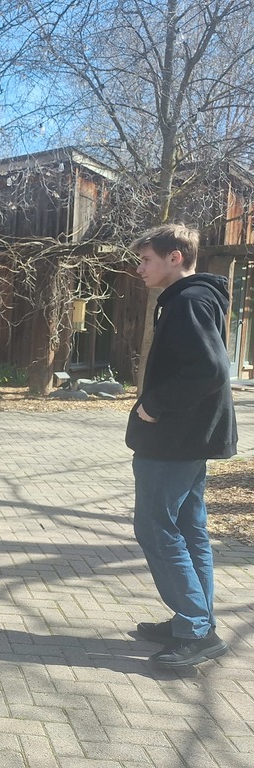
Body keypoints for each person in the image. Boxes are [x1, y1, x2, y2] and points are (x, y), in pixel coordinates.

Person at [127, 223, 236, 667]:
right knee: (189, 529)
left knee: (155, 526)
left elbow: (209, 370)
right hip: (189, 439)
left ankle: (194, 626)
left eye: (146, 259)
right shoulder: (193, 299)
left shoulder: (189, 301)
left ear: (176, 257)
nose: (139, 268)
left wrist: (153, 406)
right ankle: (195, 620)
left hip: (173, 440)